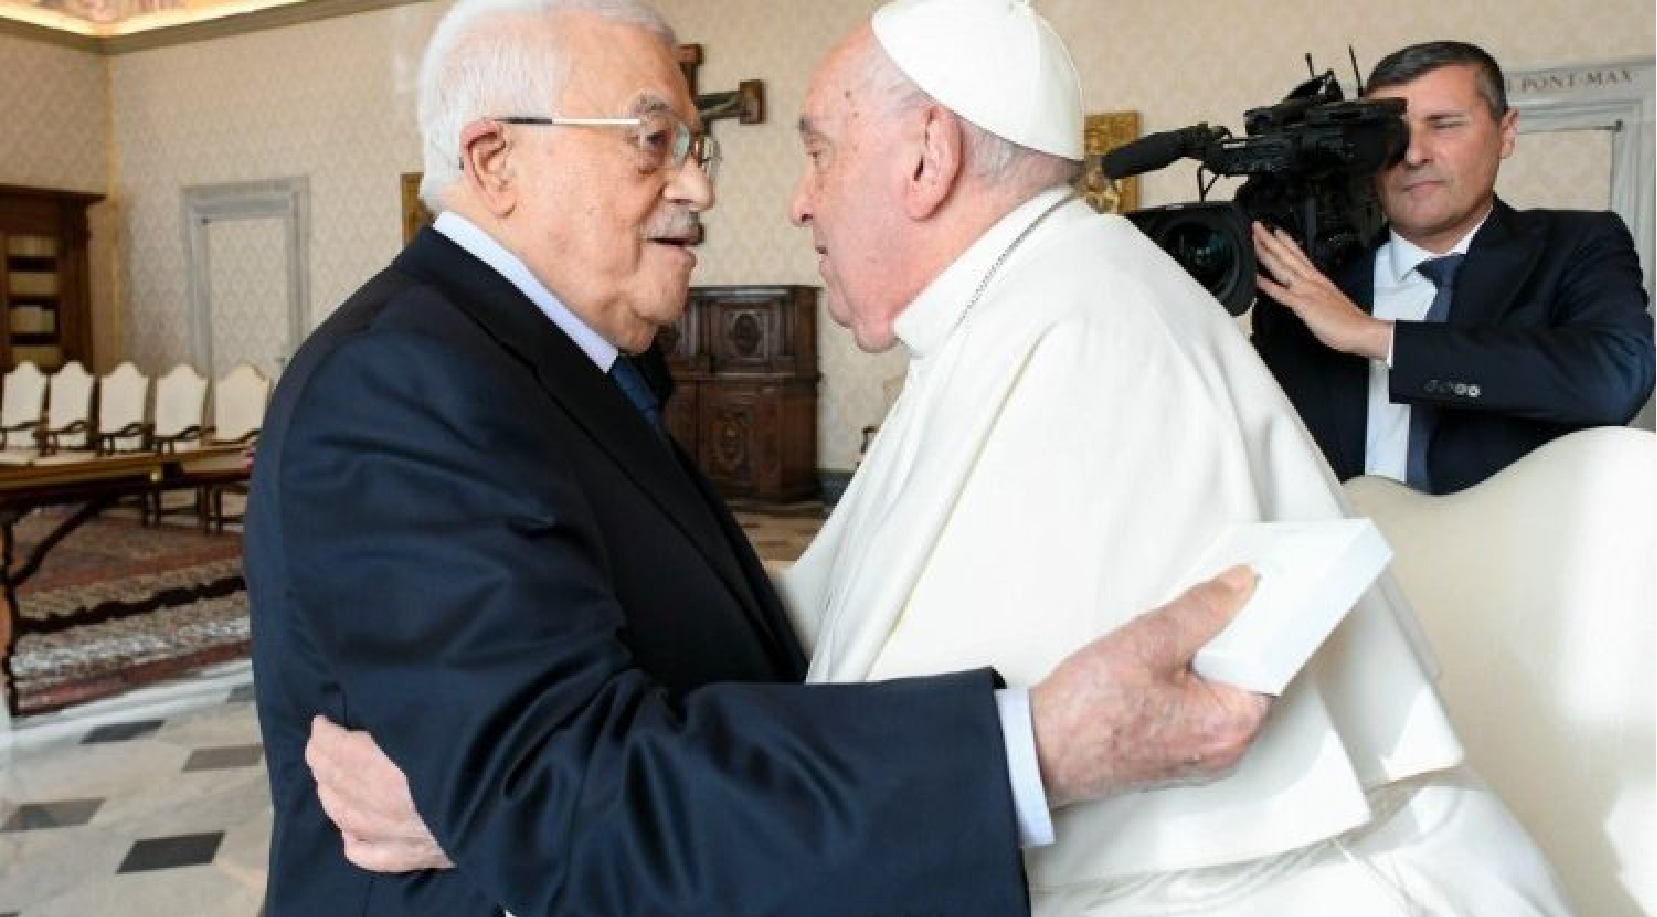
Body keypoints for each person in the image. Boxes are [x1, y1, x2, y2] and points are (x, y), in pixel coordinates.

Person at [309, 2, 1575, 914]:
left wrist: (517, 801)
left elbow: (962, 731)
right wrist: (514, 787)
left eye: (816, 149)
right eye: (656, 141)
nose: (786, 199)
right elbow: (836, 643)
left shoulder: (1075, 326)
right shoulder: (1025, 307)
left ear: (926, 158)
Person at [1251, 39, 1654, 495]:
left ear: (1506, 133)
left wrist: (1376, 337)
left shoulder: (1576, 245)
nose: (1413, 154)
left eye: (1442, 125)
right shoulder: (1309, 286)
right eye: (1390, 133)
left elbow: (1611, 383)